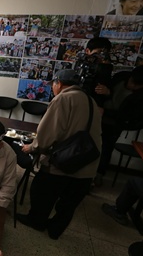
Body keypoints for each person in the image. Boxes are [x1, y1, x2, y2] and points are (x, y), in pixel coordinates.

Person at [17, 69, 102, 239]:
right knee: (69, 202)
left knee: (41, 189)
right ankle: (55, 229)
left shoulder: (63, 98)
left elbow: (48, 132)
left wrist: (32, 148)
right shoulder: (90, 100)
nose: (53, 88)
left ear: (59, 84)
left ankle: (37, 221)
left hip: (65, 161)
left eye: (53, 85)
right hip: (87, 161)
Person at [94, 65, 143, 182]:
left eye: (136, 84)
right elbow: (106, 86)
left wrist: (106, 111)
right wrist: (108, 92)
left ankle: (98, 174)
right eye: (131, 80)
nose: (131, 85)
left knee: (105, 149)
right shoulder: (121, 76)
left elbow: (128, 116)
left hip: (114, 124)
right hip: (97, 118)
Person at [74, 36, 113, 106]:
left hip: (97, 104)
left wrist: (107, 92)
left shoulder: (106, 67)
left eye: (104, 54)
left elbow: (108, 85)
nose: (101, 57)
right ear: (87, 51)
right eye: (98, 53)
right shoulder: (81, 64)